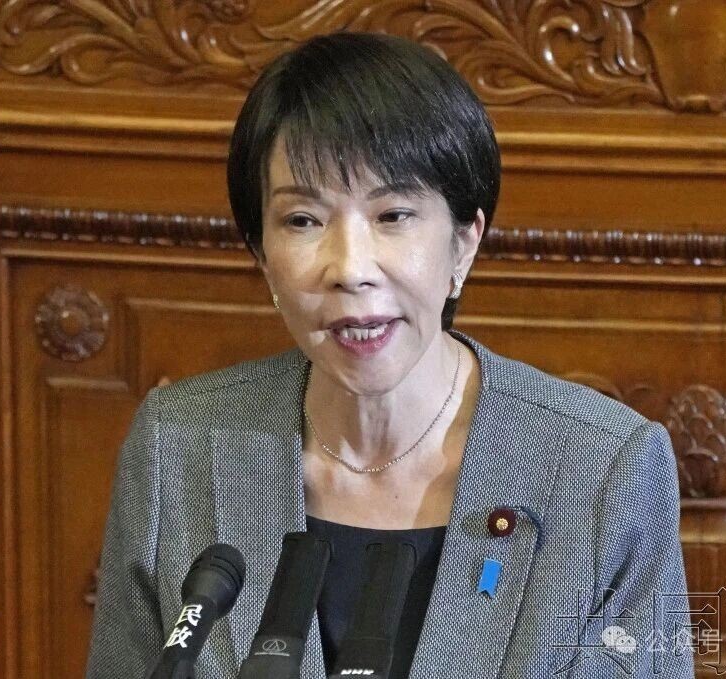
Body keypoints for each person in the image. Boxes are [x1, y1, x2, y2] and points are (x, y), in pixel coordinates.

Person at [86, 32, 695, 679]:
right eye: (303, 220)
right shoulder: (179, 446)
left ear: (464, 242)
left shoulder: (605, 470)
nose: (350, 268)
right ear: (262, 254)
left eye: (393, 215)